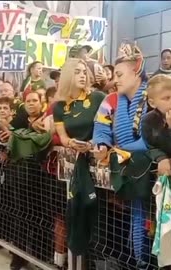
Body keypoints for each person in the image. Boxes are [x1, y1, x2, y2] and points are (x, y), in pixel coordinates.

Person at [92, 42, 152, 268]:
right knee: (123, 224)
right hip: (127, 174)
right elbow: (101, 125)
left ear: (137, 68)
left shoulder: (153, 94)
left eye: (119, 74)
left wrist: (119, 151)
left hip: (153, 174)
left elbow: (152, 137)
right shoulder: (112, 100)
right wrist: (101, 143)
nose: (114, 80)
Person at [52, 57, 106, 264]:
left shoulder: (99, 97)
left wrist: (92, 143)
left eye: (85, 71)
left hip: (99, 166)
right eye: (78, 71)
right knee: (74, 216)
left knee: (99, 220)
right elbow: (63, 136)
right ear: (68, 76)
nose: (83, 75)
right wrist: (71, 143)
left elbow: (107, 128)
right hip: (73, 168)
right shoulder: (59, 107)